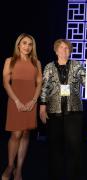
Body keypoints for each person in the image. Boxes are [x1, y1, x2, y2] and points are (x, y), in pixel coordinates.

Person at [39, 39, 86, 180]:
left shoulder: (77, 66)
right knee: (55, 148)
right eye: (61, 47)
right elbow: (44, 88)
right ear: (56, 50)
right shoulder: (48, 67)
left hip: (74, 112)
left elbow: (86, 82)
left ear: (70, 51)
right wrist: (42, 108)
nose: (64, 50)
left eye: (67, 48)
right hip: (54, 112)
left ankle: (73, 176)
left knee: (74, 147)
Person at [2, 33, 42, 180]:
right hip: (15, 100)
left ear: (32, 47)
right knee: (16, 134)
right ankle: (10, 165)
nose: (27, 46)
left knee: (26, 133)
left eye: (30, 44)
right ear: (18, 45)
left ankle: (19, 169)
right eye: (24, 43)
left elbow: (39, 84)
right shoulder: (9, 61)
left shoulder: (36, 63)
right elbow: (6, 83)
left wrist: (33, 100)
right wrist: (17, 101)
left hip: (31, 101)